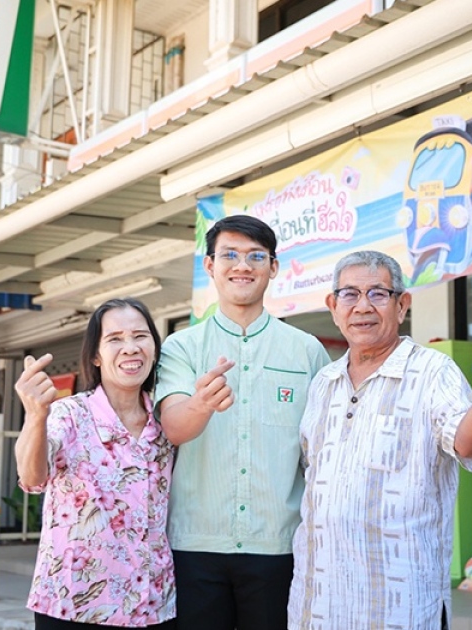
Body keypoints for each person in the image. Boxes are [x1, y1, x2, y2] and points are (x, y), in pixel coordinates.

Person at [287, 251, 472, 629]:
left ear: (402, 305)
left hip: (398, 604)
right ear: (333, 307)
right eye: (350, 294)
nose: (363, 306)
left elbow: (467, 445)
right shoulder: (324, 382)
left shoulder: (432, 371)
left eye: (378, 294)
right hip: (318, 599)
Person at [156, 214, 330, 630]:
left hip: (279, 545)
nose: (242, 266)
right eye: (229, 255)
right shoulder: (181, 347)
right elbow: (173, 428)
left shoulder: (306, 351)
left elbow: (323, 452)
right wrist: (201, 404)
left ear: (273, 267)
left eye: (255, 256)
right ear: (210, 265)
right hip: (195, 545)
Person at [14, 298, 175, 630]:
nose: (130, 348)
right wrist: (35, 416)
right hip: (75, 605)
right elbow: (32, 476)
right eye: (115, 339)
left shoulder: (166, 422)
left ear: (154, 349)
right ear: (96, 356)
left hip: (152, 605)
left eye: (140, 336)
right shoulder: (69, 414)